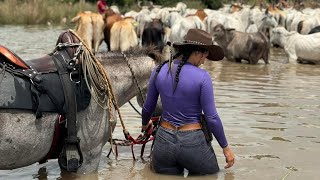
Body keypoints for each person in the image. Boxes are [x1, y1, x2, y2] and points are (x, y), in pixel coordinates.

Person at [141, 29, 235, 175]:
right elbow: (212, 118)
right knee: (212, 176)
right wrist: (226, 148)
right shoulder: (203, 77)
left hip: (164, 142)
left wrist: (145, 124)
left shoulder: (158, 70)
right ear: (196, 52)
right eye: (205, 53)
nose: (205, 59)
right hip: (193, 143)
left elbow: (148, 107)